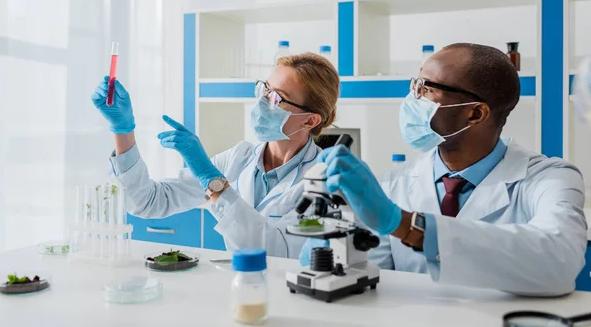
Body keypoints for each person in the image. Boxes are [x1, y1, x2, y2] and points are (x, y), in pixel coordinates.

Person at [301, 43, 587, 296]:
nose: (414, 97)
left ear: (475, 113)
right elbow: (376, 281)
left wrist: (405, 225)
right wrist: (331, 245)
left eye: (428, 88)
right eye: (416, 84)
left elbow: (558, 262)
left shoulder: (550, 178)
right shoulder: (396, 182)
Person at [91, 52, 340, 258]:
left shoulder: (325, 181)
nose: (263, 102)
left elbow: (276, 251)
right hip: (241, 292)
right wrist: (123, 131)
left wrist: (211, 179)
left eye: (277, 98)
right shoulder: (238, 158)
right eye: (265, 89)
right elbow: (149, 202)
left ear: (309, 120)